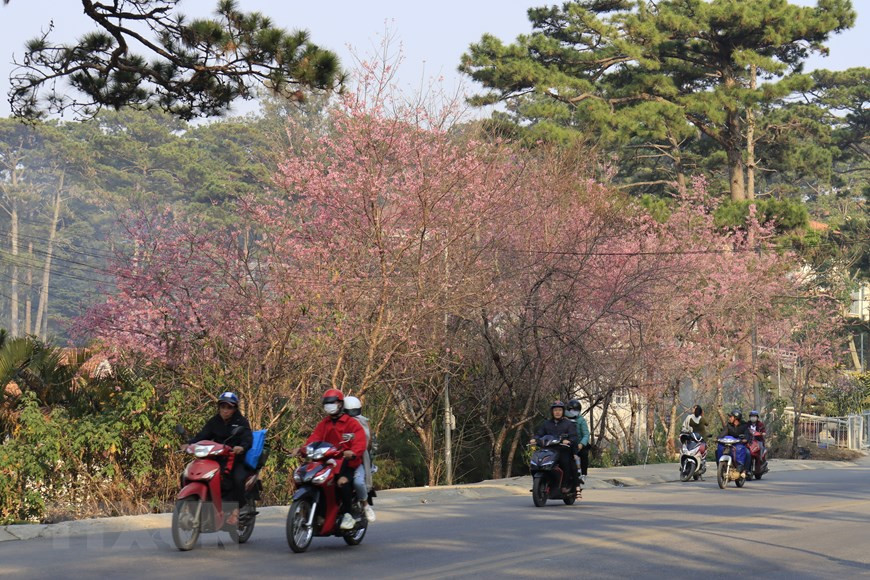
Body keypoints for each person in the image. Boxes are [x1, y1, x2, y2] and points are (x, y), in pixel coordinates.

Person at [297, 389, 367, 530]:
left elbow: (360, 441)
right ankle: (318, 513)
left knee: (342, 482)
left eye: (332, 402)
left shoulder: (351, 423)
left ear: (340, 404)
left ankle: (347, 514)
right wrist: (303, 449)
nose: (329, 406)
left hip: (347, 462)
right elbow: (314, 439)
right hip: (326, 461)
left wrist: (353, 452)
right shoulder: (324, 424)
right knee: (314, 480)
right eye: (326, 403)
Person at [182, 391, 253, 525]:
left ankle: (236, 510)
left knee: (237, 478)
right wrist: (190, 444)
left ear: (235, 408)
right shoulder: (215, 421)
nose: (225, 410)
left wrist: (241, 447)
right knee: (187, 474)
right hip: (216, 457)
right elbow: (202, 436)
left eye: (229, 407)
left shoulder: (241, 422)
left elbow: (247, 438)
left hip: (236, 459)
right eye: (223, 407)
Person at [530, 401, 578, 495]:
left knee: (565, 462)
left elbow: (574, 437)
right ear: (552, 412)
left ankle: (564, 485)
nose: (557, 412)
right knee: (535, 463)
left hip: (563, 449)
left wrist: (568, 441)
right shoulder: (546, 424)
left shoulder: (568, 424)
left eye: (560, 410)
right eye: (555, 410)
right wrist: (534, 439)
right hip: (548, 449)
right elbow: (539, 434)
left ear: (563, 411)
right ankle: (538, 484)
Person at [343, 396, 376, 522]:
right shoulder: (338, 422)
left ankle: (365, 504)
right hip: (338, 458)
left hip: (358, 459)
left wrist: (356, 451)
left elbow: (368, 443)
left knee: (358, 482)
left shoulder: (364, 421)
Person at [565, 399, 590, 490]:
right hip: (567, 443)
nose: (573, 412)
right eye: (571, 410)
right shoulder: (564, 419)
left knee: (584, 454)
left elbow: (586, 434)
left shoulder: (581, 420)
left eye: (575, 410)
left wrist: (582, 444)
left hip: (579, 444)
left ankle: (583, 474)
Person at [718, 409, 752, 474]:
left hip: (740, 445)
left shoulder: (744, 425)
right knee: (718, 451)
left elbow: (747, 434)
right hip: (730, 445)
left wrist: (745, 439)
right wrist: (718, 438)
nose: (729, 418)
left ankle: (746, 471)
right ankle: (720, 468)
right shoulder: (728, 425)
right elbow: (723, 433)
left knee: (747, 453)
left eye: (731, 417)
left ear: (736, 418)